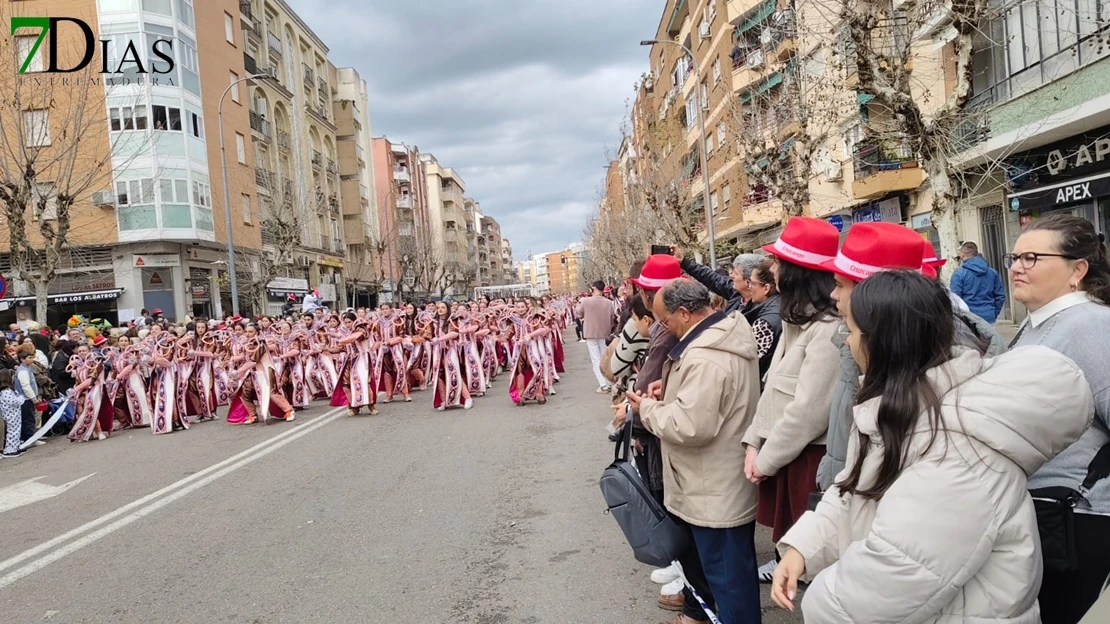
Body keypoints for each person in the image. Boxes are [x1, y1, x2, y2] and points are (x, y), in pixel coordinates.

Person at [770, 270, 1094, 623]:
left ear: (883, 341)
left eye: (851, 330)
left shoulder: (959, 450)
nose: (847, 343)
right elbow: (855, 492)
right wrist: (804, 548)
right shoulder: (903, 410)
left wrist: (819, 601)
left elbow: (895, 579)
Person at [816, 222, 1005, 493]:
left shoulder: (936, 356)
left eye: (839, 285)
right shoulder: (856, 337)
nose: (833, 295)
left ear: (875, 296)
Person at [628, 279, 762, 624]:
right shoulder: (723, 331)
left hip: (712, 488)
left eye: (665, 320)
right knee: (732, 578)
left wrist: (648, 409)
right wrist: (671, 387)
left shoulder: (706, 358)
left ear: (685, 313)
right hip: (720, 479)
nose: (662, 327)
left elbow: (690, 425)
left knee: (729, 584)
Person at [1007, 213, 1110, 624]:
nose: (1017, 267)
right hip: (1046, 518)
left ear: (1077, 270)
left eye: (1031, 257)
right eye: (1013, 257)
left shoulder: (1091, 326)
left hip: (1079, 521)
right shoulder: (1039, 325)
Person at [741, 217, 841, 583]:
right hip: (786, 453)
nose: (772, 269)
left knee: (815, 561)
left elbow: (808, 411)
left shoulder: (827, 328)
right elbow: (773, 390)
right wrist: (753, 441)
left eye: (779, 263)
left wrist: (765, 459)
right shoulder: (798, 319)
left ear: (798, 272)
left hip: (808, 457)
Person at [628, 255, 716, 623]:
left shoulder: (682, 335)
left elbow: (689, 420)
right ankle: (693, 593)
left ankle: (697, 604)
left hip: (683, 450)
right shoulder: (685, 331)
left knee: (684, 527)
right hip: (676, 439)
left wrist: (639, 413)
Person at [676, 249, 766, 317]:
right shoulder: (736, 293)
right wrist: (684, 262)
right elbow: (711, 278)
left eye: (736, 273)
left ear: (748, 281)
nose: (731, 275)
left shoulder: (761, 310)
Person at [950, 241, 1007, 323]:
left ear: (962, 255)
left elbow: (955, 300)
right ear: (977, 253)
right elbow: (1000, 296)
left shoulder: (959, 274)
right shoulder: (992, 272)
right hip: (989, 318)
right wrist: (994, 313)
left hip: (969, 319)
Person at [575, 280, 615, 394]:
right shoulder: (609, 303)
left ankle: (603, 385)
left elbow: (579, 314)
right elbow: (612, 318)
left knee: (596, 359)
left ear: (593, 288)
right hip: (605, 333)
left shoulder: (586, 301)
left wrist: (579, 302)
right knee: (605, 358)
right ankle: (609, 382)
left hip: (591, 333)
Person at [746, 260, 782, 385]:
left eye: (752, 283)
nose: (749, 287)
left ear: (766, 288)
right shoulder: (782, 307)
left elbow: (750, 363)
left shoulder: (764, 324)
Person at [15, 346, 43, 447]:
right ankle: (29, 439)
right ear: (22, 359)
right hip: (25, 399)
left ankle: (30, 438)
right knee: (28, 419)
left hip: (27, 399)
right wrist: (33, 398)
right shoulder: (22, 371)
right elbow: (26, 386)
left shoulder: (26, 369)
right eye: (29, 357)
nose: (32, 359)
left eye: (32, 357)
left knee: (29, 418)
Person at [0, 370, 26, 457]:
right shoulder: (5, 392)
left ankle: (15, 446)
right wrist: (22, 398)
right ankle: (9, 449)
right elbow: (14, 401)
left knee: (17, 430)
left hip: (15, 414)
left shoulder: (10, 390)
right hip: (10, 414)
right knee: (12, 431)